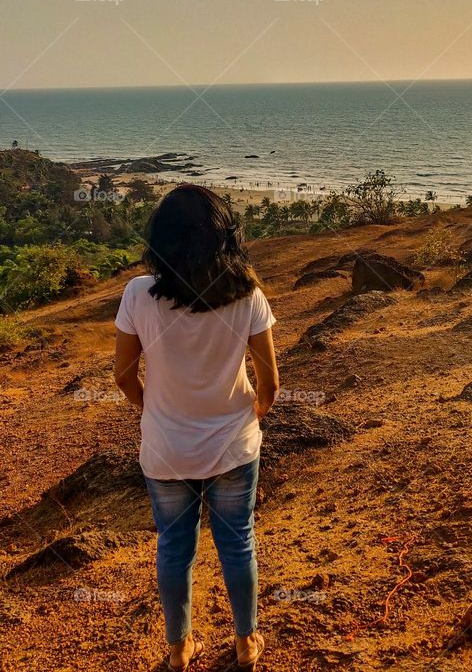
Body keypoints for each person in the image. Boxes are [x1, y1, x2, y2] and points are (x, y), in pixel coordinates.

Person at [113, 185, 279, 672]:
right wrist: (251, 416)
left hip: (166, 447)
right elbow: (270, 381)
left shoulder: (138, 294)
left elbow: (123, 375)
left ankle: (179, 648)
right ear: (224, 235)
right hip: (233, 445)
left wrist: (152, 409)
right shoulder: (248, 295)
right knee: (238, 543)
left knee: (174, 547)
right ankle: (246, 642)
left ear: (162, 237)